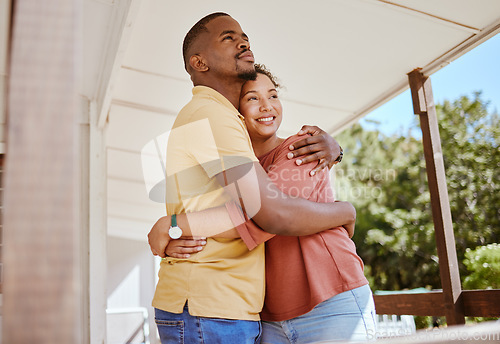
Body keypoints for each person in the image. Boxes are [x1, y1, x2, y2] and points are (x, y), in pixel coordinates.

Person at [149, 12, 357, 344]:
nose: (243, 42)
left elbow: (259, 210)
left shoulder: (227, 123)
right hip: (211, 305)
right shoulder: (213, 114)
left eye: (244, 37)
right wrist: (345, 211)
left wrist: (174, 224)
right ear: (199, 62)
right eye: (227, 38)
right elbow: (270, 212)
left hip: (230, 306)